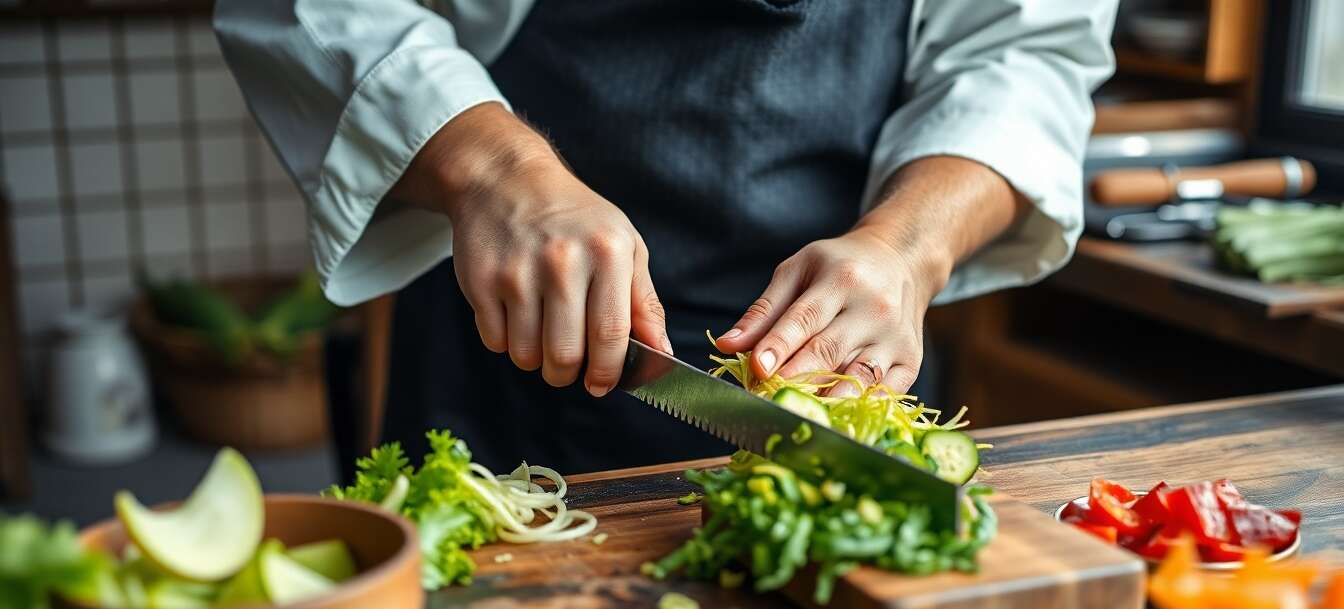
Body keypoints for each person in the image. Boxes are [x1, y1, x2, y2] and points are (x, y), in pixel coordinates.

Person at [215, 0, 1117, 472]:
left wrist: (908, 248)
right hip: (502, 336)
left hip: (839, 356)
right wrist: (492, 169)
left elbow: (1026, 53)